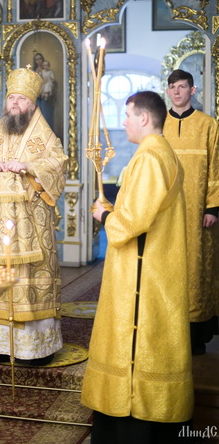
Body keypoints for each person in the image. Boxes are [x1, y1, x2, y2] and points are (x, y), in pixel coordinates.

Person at [82, 91, 193, 444]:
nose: (125, 121)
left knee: (135, 346)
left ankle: (129, 426)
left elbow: (133, 222)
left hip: (141, 277)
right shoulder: (163, 152)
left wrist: (105, 215)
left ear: (144, 118)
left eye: (128, 115)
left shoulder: (149, 157)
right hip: (156, 267)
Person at [0, 67, 67, 365]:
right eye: (12, 98)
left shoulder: (45, 137)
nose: (15, 103)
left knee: (29, 279)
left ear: (32, 104)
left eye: (22, 98)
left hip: (29, 227)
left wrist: (29, 168)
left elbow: (58, 164)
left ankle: (33, 349)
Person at [163, 69, 219, 355]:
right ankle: (166, 333)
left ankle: (196, 335)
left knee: (196, 271)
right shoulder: (159, 125)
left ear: (192, 90)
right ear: (167, 90)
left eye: (182, 86)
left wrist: (212, 206)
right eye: (172, 87)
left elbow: (215, 168)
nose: (177, 92)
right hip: (166, 213)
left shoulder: (208, 125)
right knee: (167, 269)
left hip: (199, 214)